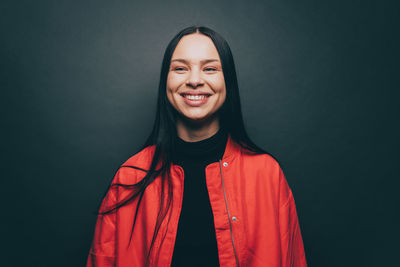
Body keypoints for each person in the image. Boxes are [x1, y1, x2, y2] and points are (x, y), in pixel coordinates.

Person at [86, 26, 307, 267]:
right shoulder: (130, 176)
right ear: (166, 81)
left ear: (228, 81)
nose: (194, 80)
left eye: (210, 69)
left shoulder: (267, 175)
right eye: (180, 68)